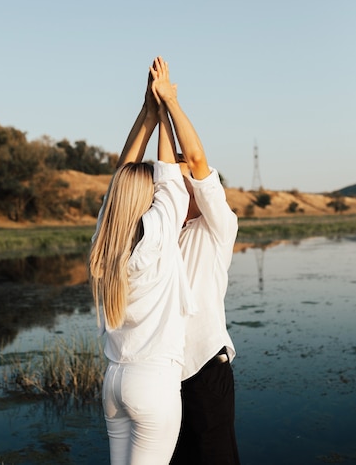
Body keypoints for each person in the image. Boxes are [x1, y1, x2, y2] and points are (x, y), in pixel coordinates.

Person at [118, 57, 241, 465]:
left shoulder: (219, 226)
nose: (175, 179)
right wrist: (149, 113)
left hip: (204, 369)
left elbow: (197, 162)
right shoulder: (159, 233)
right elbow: (134, 174)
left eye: (182, 177)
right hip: (162, 374)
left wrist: (169, 103)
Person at [88, 58, 197, 465]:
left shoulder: (105, 241)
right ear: (147, 198)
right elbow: (169, 172)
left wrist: (146, 114)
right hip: (153, 381)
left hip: (114, 381)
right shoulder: (156, 235)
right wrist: (166, 106)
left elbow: (121, 176)